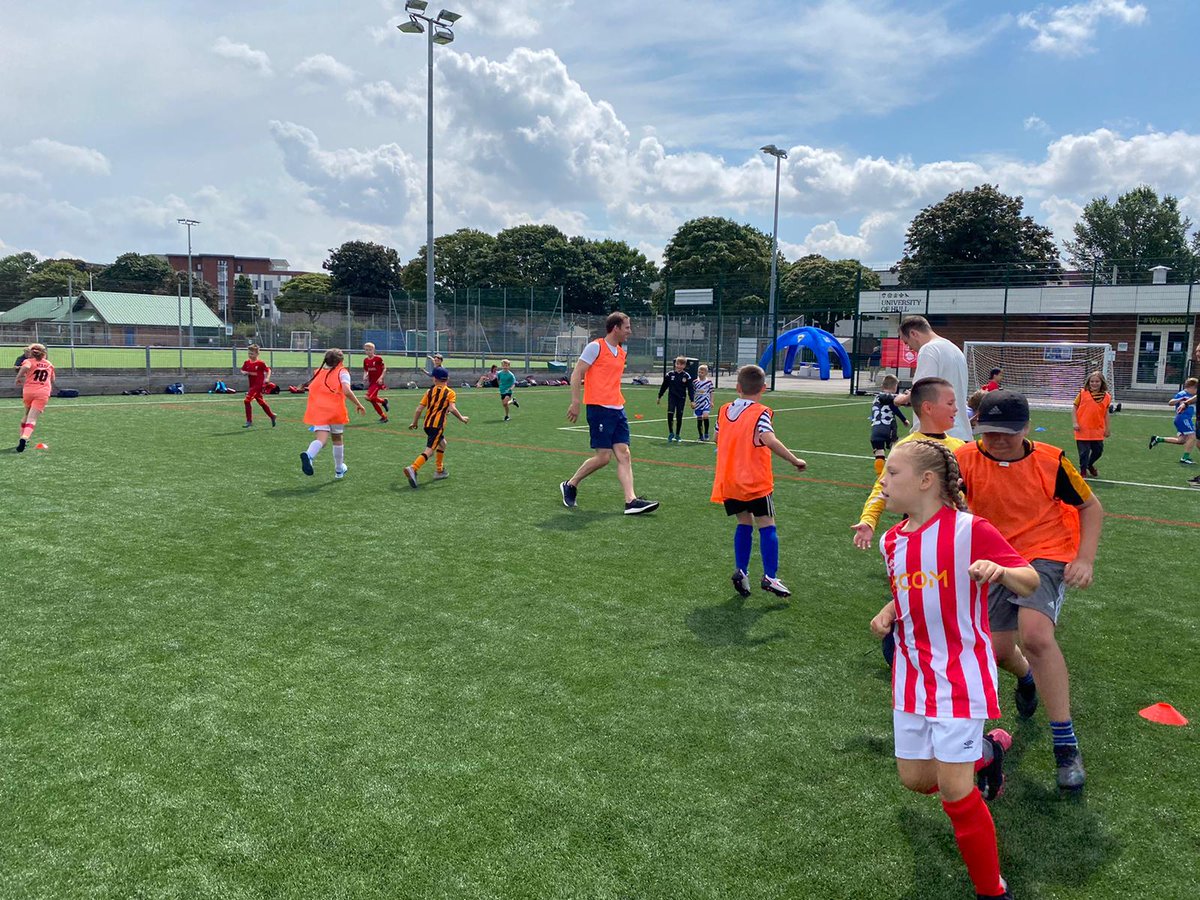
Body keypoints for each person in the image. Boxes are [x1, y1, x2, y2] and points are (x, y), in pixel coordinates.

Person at [869, 439, 1035, 900]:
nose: (883, 481)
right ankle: (988, 752)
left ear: (926, 481)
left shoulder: (970, 530)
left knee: (956, 793)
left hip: (960, 676)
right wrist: (889, 612)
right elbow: (915, 592)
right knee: (916, 779)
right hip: (911, 675)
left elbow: (1030, 577)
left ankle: (992, 890)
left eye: (893, 474)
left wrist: (1000, 572)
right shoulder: (891, 540)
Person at [956, 390, 1102, 791]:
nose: (997, 440)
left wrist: (1084, 559)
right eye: (989, 432)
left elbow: (1091, 507)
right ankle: (1026, 680)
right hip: (994, 557)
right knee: (1000, 651)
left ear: (1024, 428)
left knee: (1036, 636)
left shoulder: (1050, 461)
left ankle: (1065, 745)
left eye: (1006, 432)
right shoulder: (965, 459)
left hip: (1044, 553)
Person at [711, 364, 806, 597]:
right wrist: (794, 460)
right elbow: (768, 439)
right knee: (766, 524)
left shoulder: (724, 410)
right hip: (755, 482)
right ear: (763, 388)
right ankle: (770, 576)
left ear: (738, 387)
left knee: (743, 523)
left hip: (730, 481)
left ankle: (742, 571)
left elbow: (716, 437)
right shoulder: (760, 412)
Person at [560, 311, 659, 515]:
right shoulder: (596, 347)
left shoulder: (621, 351)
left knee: (624, 454)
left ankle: (630, 501)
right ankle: (570, 484)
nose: (629, 331)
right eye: (627, 327)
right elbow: (577, 373)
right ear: (616, 328)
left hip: (617, 409)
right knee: (604, 457)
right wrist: (575, 402)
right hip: (599, 408)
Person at [851, 377, 964, 551]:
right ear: (928, 408)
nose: (956, 409)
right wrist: (869, 520)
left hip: (955, 535)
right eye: (950, 403)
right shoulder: (906, 448)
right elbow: (882, 487)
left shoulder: (962, 448)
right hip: (917, 535)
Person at [893, 316, 973, 441]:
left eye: (906, 342)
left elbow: (923, 388)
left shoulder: (928, 349)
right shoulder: (954, 348)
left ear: (913, 333)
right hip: (960, 433)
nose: (908, 348)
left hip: (937, 435)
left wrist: (902, 399)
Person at [299, 348, 366, 479]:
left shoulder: (319, 373)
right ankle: (339, 470)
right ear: (341, 360)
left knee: (321, 440)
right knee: (337, 439)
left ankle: (309, 455)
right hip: (334, 411)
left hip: (319, 410)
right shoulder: (342, 372)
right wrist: (358, 404)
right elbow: (346, 390)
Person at [404, 366, 468, 487]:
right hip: (437, 426)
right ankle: (413, 468)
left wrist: (415, 422)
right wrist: (462, 418)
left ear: (434, 379)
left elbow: (419, 409)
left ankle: (439, 470)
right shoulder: (450, 392)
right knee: (430, 450)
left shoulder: (429, 392)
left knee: (443, 444)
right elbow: (452, 408)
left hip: (427, 425)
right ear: (447, 379)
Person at [14, 343, 55, 453]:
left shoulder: (28, 361)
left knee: (27, 414)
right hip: (42, 392)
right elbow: (52, 379)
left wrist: (18, 377)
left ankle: (22, 438)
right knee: (32, 418)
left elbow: (26, 367)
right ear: (44, 353)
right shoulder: (49, 364)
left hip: (28, 391)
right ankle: (24, 438)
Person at [1148, 377, 1197, 466]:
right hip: (1183, 418)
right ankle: (1184, 458)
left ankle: (1158, 439)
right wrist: (1181, 399)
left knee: (1182, 440)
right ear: (1191, 387)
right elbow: (1170, 402)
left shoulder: (1193, 396)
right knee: (1192, 436)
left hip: (1185, 419)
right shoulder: (1183, 394)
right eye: (1196, 389)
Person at [868, 374, 909, 476]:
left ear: (882, 386)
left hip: (875, 430)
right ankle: (898, 474)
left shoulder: (877, 397)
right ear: (895, 387)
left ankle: (879, 476)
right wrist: (904, 419)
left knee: (879, 453)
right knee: (896, 450)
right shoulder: (887, 397)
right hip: (888, 428)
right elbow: (894, 407)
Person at [1073, 371, 1111, 477]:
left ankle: (1089, 465)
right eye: (1092, 381)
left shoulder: (1107, 396)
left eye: (1097, 381)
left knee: (1098, 451)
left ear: (1102, 382)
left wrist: (1107, 428)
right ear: (1088, 382)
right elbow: (1074, 407)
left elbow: (1106, 413)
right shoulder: (1082, 393)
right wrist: (1075, 422)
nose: (1094, 383)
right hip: (1082, 429)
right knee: (1084, 453)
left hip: (1097, 430)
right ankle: (1083, 472)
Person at [657, 356, 694, 442]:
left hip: (681, 398)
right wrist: (659, 396)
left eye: (681, 364)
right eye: (677, 364)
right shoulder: (670, 375)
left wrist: (692, 400)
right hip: (672, 398)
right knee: (670, 413)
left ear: (684, 366)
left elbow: (690, 389)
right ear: (675, 364)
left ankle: (677, 434)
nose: (679, 366)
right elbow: (664, 386)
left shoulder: (686, 376)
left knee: (679, 416)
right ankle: (671, 433)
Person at [240, 344, 277, 428]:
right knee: (261, 402)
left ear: (257, 354)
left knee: (247, 400)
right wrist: (244, 372)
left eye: (252, 354)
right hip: (252, 385)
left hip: (258, 385)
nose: (250, 355)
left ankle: (249, 421)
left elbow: (268, 370)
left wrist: (267, 378)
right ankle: (272, 415)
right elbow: (242, 370)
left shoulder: (260, 363)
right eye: (249, 353)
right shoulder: (247, 362)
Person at [362, 342, 389, 422]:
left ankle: (383, 401)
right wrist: (365, 375)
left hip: (377, 382)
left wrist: (381, 378)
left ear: (374, 350)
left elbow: (384, 369)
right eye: (367, 350)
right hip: (371, 382)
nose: (368, 351)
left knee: (368, 397)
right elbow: (366, 370)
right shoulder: (366, 360)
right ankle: (384, 417)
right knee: (372, 400)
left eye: (370, 350)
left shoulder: (378, 359)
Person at [691, 363, 715, 441]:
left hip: (706, 403)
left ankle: (706, 433)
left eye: (702, 372)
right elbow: (692, 393)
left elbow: (711, 392)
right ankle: (700, 435)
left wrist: (711, 401)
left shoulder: (709, 382)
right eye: (699, 372)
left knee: (705, 416)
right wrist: (692, 402)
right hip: (698, 403)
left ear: (706, 373)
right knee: (699, 418)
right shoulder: (695, 382)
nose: (700, 374)